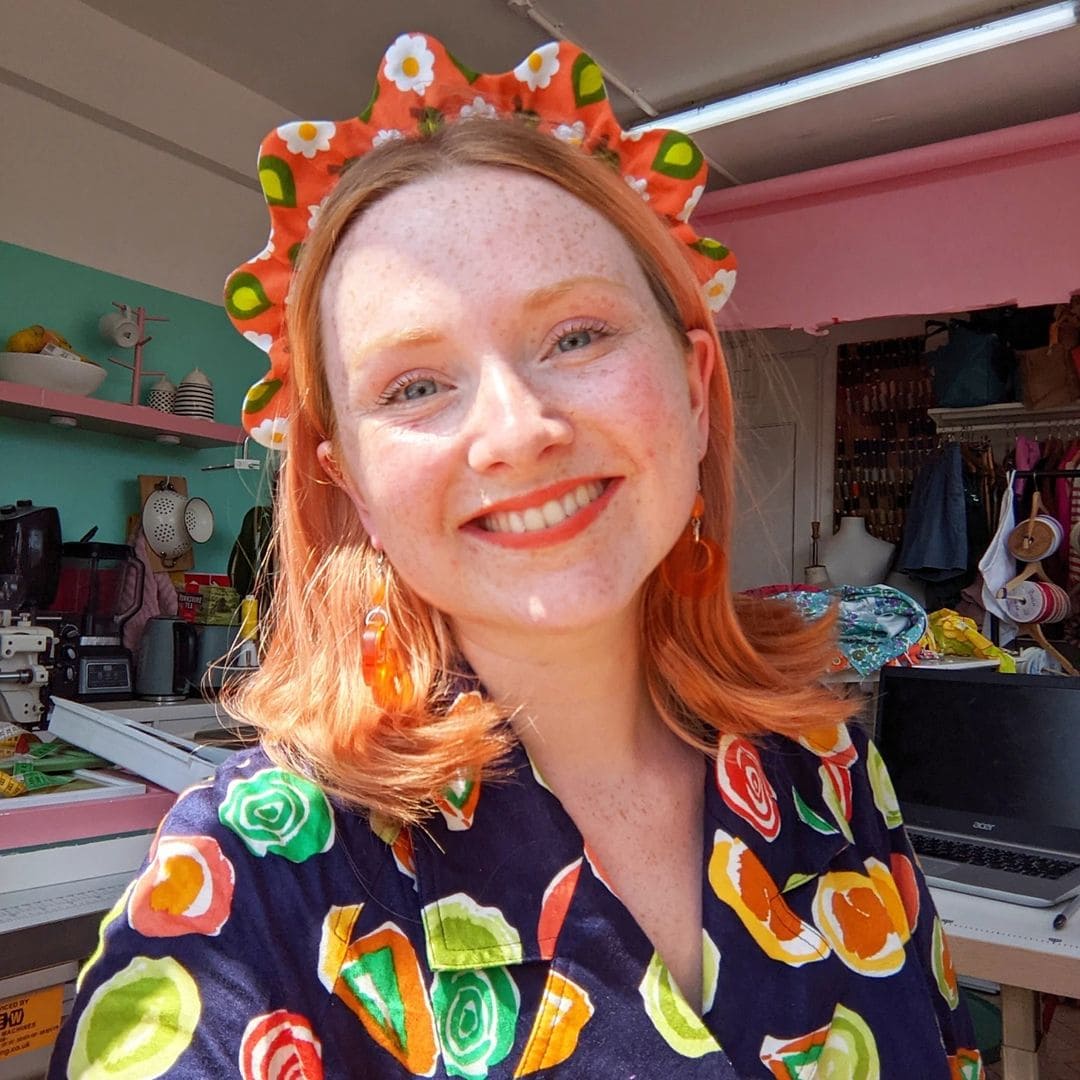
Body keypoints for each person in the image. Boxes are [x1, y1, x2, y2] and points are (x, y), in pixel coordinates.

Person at [49, 33, 983, 1079]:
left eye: (576, 335)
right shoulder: (248, 886)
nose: (515, 430)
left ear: (691, 380)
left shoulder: (829, 768)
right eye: (414, 385)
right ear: (347, 478)